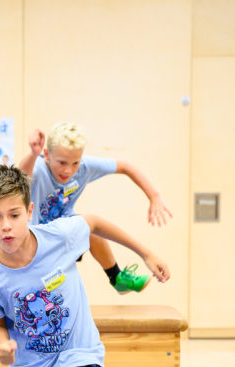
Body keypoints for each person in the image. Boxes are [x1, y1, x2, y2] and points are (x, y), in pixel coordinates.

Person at [0, 165, 170, 367]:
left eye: (14, 215)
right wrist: (2, 346)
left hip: (77, 355)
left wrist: (147, 254)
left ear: (29, 211)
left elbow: (95, 224)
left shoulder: (59, 236)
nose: (6, 226)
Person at [18, 121, 172, 294]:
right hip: (34, 241)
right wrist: (33, 154)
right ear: (46, 154)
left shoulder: (84, 167)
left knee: (89, 228)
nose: (68, 170)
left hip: (63, 234)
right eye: (61, 163)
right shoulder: (38, 168)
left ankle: (117, 278)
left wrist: (154, 197)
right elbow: (20, 176)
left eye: (75, 163)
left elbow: (125, 166)